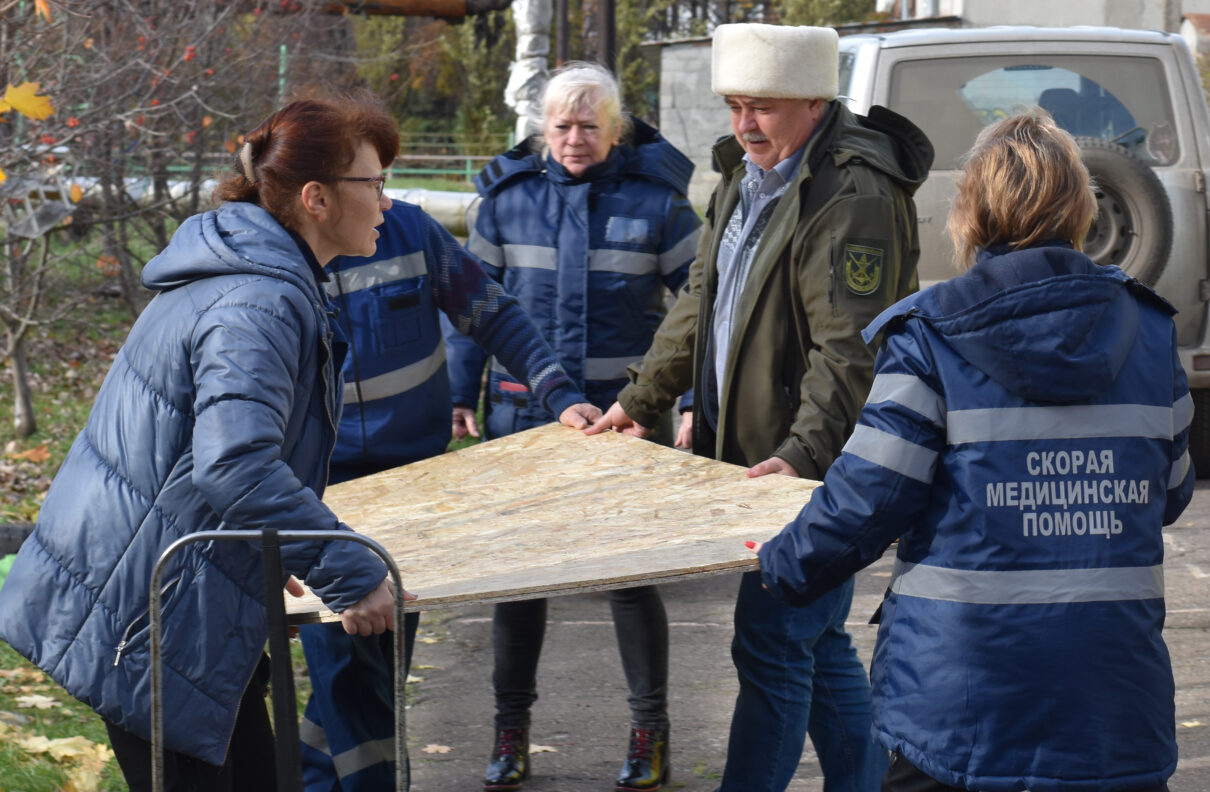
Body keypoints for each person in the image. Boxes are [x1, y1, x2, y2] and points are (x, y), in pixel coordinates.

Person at [753, 111, 1194, 792]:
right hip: (1111, 710)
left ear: (972, 212)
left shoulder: (928, 337)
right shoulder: (1153, 333)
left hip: (959, 711)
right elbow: (1171, 492)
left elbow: (870, 495)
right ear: (1080, 207)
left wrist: (781, 563)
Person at [0, 97, 404, 791]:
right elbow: (235, 463)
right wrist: (350, 570)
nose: (386, 203)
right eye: (373, 184)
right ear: (315, 198)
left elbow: (205, 456)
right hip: (154, 619)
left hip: (180, 600)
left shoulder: (255, 278)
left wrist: (262, 549)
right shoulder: (259, 302)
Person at [586, 22, 933, 792]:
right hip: (756, 465)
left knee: (773, 643)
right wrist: (641, 400)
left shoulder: (854, 192)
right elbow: (699, 301)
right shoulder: (747, 175)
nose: (745, 124)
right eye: (736, 105)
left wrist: (804, 459)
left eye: (764, 108)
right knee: (811, 642)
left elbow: (852, 351)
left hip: (812, 472)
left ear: (815, 102)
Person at [447, 61, 701, 792]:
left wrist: (684, 409)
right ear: (542, 128)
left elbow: (702, 316)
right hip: (522, 422)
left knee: (627, 579)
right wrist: (461, 391)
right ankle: (509, 735)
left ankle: (649, 736)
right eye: (561, 125)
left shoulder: (659, 206)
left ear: (616, 129)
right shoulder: (505, 205)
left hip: (624, 426)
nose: (574, 138)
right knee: (519, 582)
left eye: (590, 125)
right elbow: (469, 306)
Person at [298, 196, 603, 792]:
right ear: (322, 186)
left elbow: (493, 313)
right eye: (370, 180)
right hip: (326, 497)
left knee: (376, 669)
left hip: (416, 494)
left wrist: (560, 396)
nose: (382, 197)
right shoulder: (285, 251)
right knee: (346, 669)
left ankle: (309, 778)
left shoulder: (410, 230)